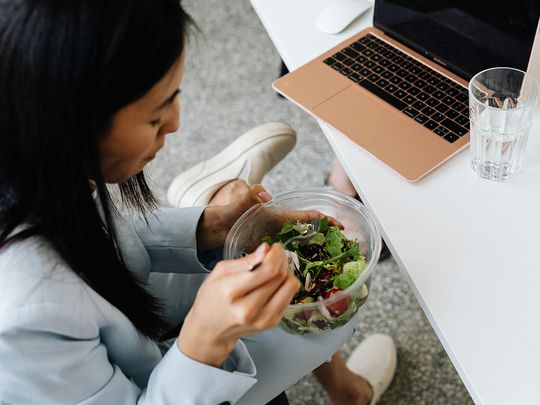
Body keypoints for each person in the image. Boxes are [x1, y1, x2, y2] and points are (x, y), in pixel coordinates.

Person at [0, 1, 396, 404]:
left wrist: (210, 225)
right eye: (156, 117)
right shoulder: (24, 323)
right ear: (68, 128)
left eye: (175, 96)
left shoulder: (32, 161)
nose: (175, 124)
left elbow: (102, 242)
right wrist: (205, 339)